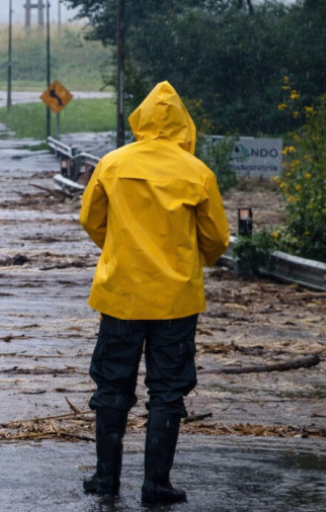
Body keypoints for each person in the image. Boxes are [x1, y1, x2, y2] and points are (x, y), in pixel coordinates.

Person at [78, 81, 230, 504]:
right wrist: (187, 261)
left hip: (120, 295)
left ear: (141, 119)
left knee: (111, 387)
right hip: (175, 302)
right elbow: (217, 238)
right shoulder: (196, 171)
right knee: (167, 391)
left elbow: (91, 219)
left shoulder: (111, 164)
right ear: (184, 123)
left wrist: (121, 250)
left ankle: (105, 479)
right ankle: (156, 484)